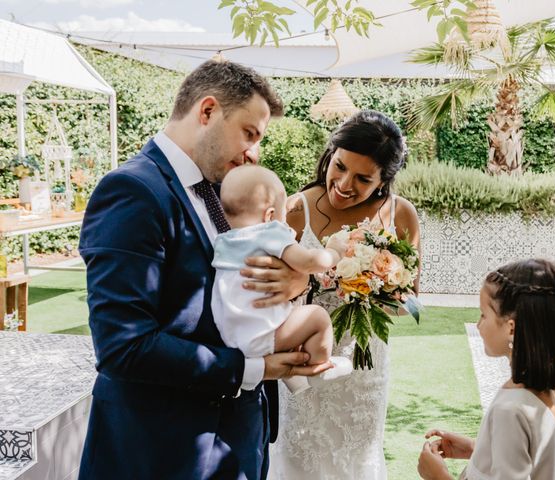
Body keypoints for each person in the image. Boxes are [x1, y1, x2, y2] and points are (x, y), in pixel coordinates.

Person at [78, 60, 331, 480]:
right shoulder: (133, 191)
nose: (254, 152)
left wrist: (297, 279)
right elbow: (123, 346)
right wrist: (253, 369)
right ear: (208, 111)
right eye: (249, 134)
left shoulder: (226, 192)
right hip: (163, 453)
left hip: (237, 443)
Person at [268, 110, 421, 479]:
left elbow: (413, 301)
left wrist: (374, 286)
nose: (344, 183)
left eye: (363, 179)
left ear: (384, 179)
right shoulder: (294, 209)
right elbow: (270, 294)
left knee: (356, 463)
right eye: (339, 166)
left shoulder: (400, 215)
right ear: (331, 152)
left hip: (363, 371)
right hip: (304, 364)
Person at [417, 258, 555, 480]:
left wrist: (438, 476)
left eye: (484, 315)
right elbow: (532, 461)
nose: (478, 325)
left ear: (511, 328)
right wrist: (476, 449)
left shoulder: (511, 409)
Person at [212, 165, 352, 393]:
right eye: (283, 216)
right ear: (269, 216)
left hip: (230, 338)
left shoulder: (223, 241)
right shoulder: (268, 231)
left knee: (290, 319)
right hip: (261, 333)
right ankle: (321, 367)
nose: (285, 223)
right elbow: (308, 262)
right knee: (317, 317)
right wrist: (335, 251)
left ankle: (295, 381)